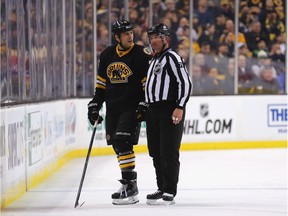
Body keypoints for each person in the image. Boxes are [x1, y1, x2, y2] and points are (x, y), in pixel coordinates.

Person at [87, 20, 151, 205]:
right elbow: (101, 84)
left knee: (122, 141)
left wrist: (144, 103)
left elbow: (147, 84)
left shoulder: (140, 53)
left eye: (131, 33)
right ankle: (129, 184)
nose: (130, 36)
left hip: (131, 107)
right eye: (126, 34)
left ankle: (130, 185)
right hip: (112, 108)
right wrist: (95, 104)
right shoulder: (107, 54)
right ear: (117, 37)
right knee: (117, 145)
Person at [144, 23, 192, 205]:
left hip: (169, 109)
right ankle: (162, 186)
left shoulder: (172, 57)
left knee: (168, 151)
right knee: (155, 151)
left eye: (156, 37)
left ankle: (170, 190)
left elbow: (185, 84)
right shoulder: (154, 59)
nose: (152, 40)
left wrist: (179, 106)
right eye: (151, 37)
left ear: (166, 39)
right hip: (153, 110)